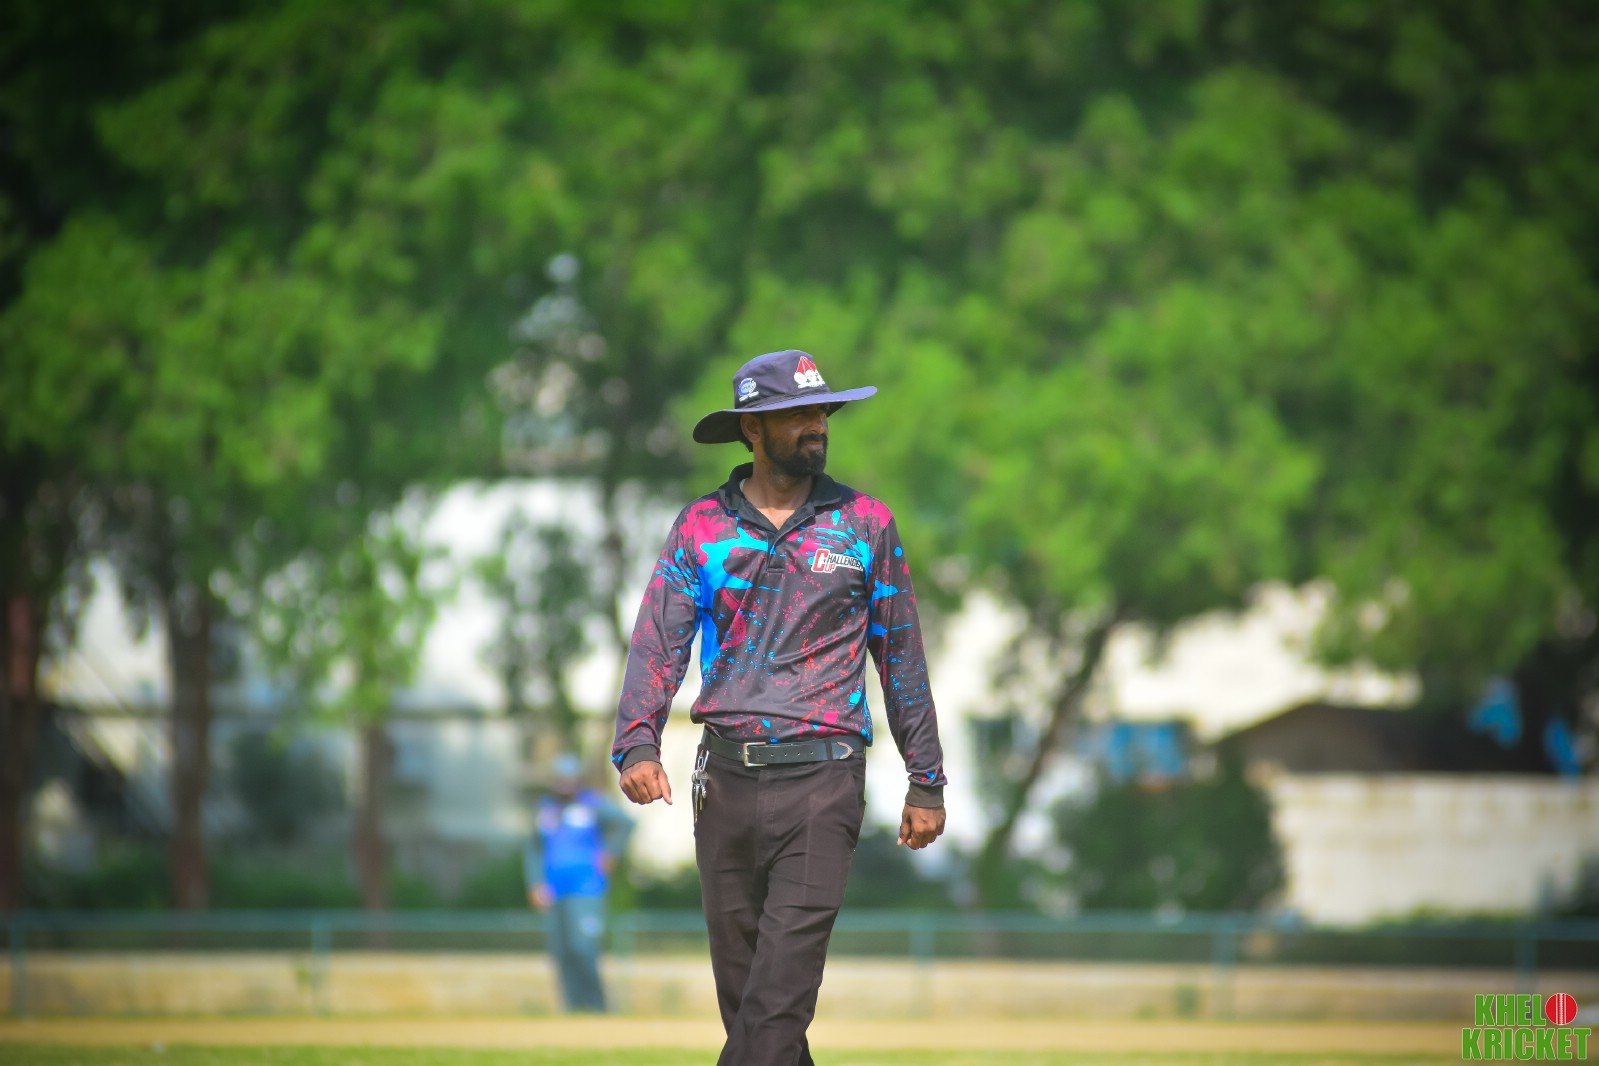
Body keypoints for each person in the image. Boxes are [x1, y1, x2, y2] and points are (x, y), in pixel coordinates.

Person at [612, 349, 948, 1065]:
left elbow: (902, 658)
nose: (816, 425)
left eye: (821, 410)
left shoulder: (865, 523)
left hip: (824, 782)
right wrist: (637, 742)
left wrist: (926, 779)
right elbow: (658, 639)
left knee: (776, 1003)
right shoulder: (700, 527)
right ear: (752, 429)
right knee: (751, 1009)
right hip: (723, 785)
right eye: (796, 414)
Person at [524, 752, 633, 1013]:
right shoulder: (545, 809)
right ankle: (572, 1008)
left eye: (569, 778)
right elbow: (534, 848)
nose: (565, 783)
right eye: (560, 778)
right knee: (562, 952)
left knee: (583, 948)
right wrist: (535, 883)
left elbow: (625, 824)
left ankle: (596, 1006)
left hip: (586, 888)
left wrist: (611, 853)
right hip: (554, 891)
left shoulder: (592, 805)